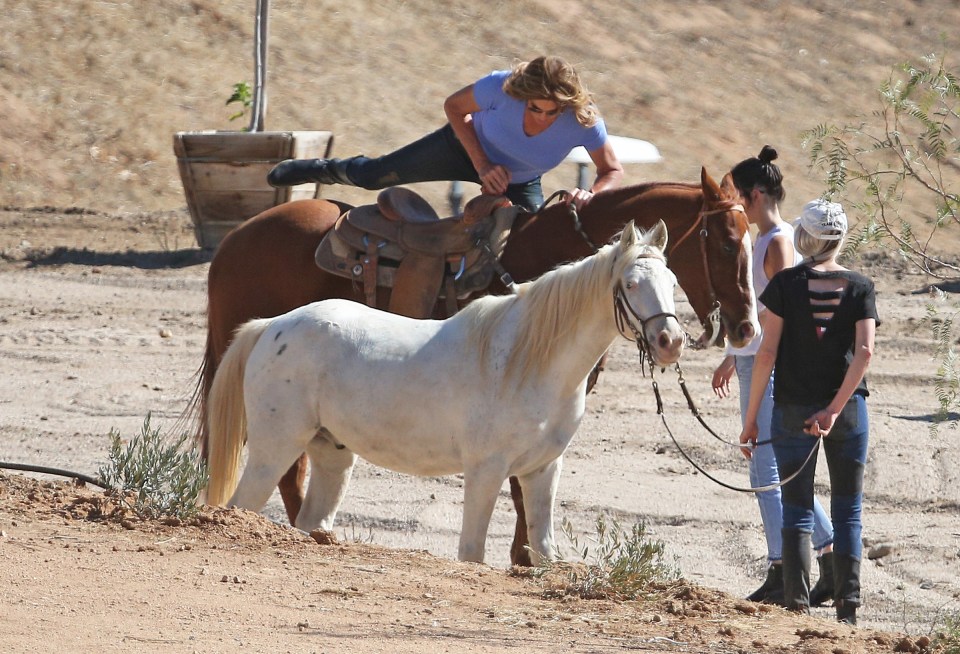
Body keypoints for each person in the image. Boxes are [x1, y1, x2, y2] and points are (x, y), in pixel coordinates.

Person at [739, 199, 878, 625]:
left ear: (805, 237)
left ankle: (796, 606)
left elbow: (766, 355)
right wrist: (835, 409)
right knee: (847, 510)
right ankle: (847, 608)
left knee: (797, 506)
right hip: (849, 411)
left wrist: (750, 419)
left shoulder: (784, 284)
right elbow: (865, 353)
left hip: (792, 408)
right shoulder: (860, 286)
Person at [712, 147, 835, 607]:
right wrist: (732, 354)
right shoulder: (761, 239)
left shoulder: (777, 241)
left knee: (765, 467)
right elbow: (757, 310)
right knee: (769, 467)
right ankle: (829, 555)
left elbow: (784, 316)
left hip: (770, 363)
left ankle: (784, 570)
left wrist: (757, 362)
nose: (733, 203)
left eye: (737, 195)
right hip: (753, 360)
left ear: (756, 193)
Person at [267, 56, 624, 213]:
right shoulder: (500, 86)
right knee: (373, 176)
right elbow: (454, 107)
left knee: (529, 249)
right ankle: (317, 168)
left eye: (553, 112)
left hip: (519, 181)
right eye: (535, 109)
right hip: (462, 148)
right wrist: (482, 163)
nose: (544, 118)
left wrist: (590, 194)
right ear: (522, 95)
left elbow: (612, 170)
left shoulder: (583, 119)